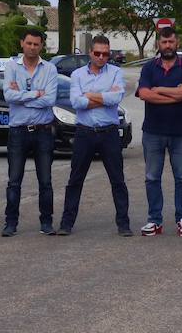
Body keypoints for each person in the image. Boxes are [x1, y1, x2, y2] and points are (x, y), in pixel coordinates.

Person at [57, 35, 132, 236]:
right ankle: (66, 223)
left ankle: (123, 224)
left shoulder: (116, 72)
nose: (101, 57)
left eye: (105, 54)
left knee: (118, 180)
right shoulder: (78, 75)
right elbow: (76, 102)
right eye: (97, 53)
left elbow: (116, 97)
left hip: (109, 133)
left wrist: (90, 95)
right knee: (75, 180)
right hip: (84, 133)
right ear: (90, 52)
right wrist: (104, 98)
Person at [136, 26, 182, 236]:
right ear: (158, 44)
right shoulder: (149, 68)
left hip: (181, 132)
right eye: (164, 42)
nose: (168, 45)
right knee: (152, 177)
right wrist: (175, 95)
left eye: (171, 42)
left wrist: (160, 89)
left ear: (177, 42)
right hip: (153, 131)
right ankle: (154, 220)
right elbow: (144, 94)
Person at [2, 29, 58, 237]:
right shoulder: (11, 67)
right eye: (29, 43)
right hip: (18, 132)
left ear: (41, 45)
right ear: (22, 43)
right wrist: (36, 93)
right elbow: (9, 96)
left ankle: (46, 222)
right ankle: (10, 223)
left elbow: (50, 100)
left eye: (36, 44)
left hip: (43, 131)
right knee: (14, 180)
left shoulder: (50, 69)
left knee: (45, 180)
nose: (32, 47)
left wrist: (22, 96)